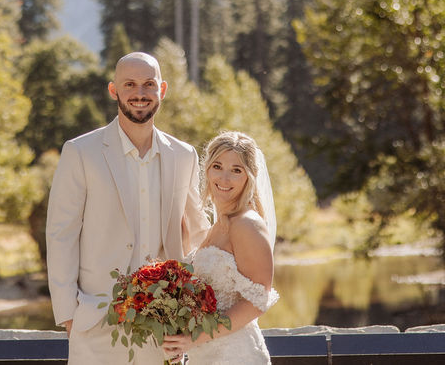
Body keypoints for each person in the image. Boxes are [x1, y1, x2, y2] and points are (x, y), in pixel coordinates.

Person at [46, 52, 210, 365]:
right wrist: (69, 317)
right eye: (130, 84)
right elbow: (61, 235)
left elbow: (198, 233)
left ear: (162, 90)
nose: (139, 93)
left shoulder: (184, 155)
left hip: (166, 327)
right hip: (96, 325)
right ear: (114, 91)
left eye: (148, 84)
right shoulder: (80, 152)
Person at [162, 131, 279, 364]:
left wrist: (194, 339)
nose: (224, 179)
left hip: (236, 355)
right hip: (205, 355)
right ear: (207, 169)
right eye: (217, 166)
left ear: (250, 176)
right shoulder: (220, 224)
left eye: (236, 170)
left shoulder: (247, 224)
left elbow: (257, 302)